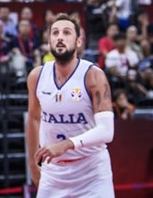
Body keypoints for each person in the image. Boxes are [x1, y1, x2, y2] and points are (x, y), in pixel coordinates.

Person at [26, 14, 115, 197]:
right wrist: (33, 165)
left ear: (78, 42)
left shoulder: (93, 76)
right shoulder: (37, 76)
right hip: (53, 173)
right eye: (55, 33)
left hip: (92, 172)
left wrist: (67, 144)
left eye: (66, 33)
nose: (60, 37)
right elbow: (34, 119)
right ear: (49, 41)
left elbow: (107, 131)